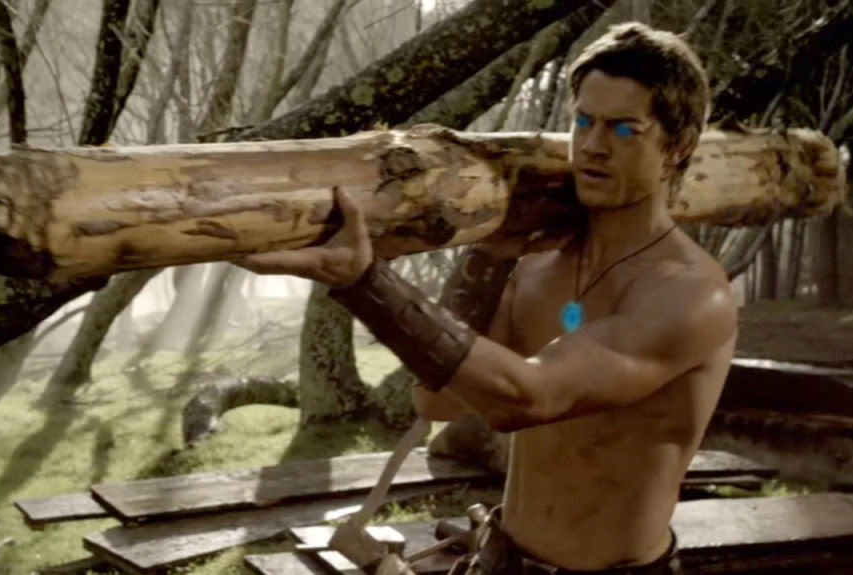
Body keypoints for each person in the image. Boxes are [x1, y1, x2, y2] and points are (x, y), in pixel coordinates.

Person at [236, 22, 737, 575]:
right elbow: (438, 403)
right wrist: (489, 256)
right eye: (583, 121)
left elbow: (528, 398)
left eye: (624, 130)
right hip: (500, 559)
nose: (593, 146)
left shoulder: (692, 293)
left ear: (677, 147)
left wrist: (365, 282)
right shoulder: (537, 264)